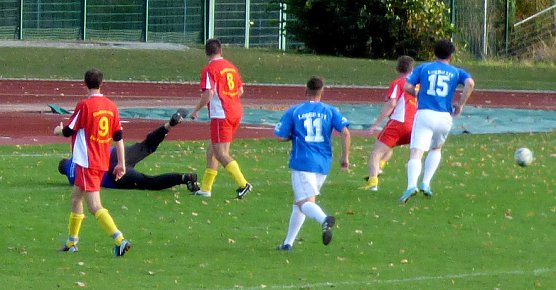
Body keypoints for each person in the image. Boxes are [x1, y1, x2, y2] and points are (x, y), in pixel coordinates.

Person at [53, 68, 131, 256]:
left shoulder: (84, 105)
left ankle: (120, 240)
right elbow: (118, 137)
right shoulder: (111, 106)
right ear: (101, 83)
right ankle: (72, 243)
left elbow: (69, 131)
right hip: (99, 160)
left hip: (88, 162)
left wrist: (57, 131)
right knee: (75, 198)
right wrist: (121, 163)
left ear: (85, 84)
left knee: (94, 205)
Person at [274, 76, 351, 251]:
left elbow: (280, 135)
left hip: (303, 161)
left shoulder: (295, 111)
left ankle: (324, 219)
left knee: (303, 202)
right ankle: (288, 243)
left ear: (305, 90)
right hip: (323, 163)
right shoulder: (331, 111)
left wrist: (291, 136)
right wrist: (345, 157)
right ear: (322, 91)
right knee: (300, 202)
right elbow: (345, 133)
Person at [399, 39, 475, 203]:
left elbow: (406, 87)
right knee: (436, 148)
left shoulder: (424, 68)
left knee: (416, 152)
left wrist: (418, 94)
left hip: (425, 113)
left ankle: (412, 185)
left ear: (434, 53)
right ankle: (426, 183)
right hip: (444, 117)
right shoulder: (456, 72)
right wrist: (460, 104)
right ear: (452, 55)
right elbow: (470, 83)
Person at [57, 109, 200, 192]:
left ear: (64, 172)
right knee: (147, 145)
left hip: (112, 174)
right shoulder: (76, 157)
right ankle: (169, 125)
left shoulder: (71, 179)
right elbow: (74, 134)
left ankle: (184, 178)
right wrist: (59, 132)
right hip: (115, 154)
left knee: (147, 182)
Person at [189, 38, 252, 199]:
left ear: (206, 53)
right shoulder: (231, 67)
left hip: (221, 114)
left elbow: (208, 93)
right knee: (212, 150)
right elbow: (241, 90)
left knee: (221, 153)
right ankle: (206, 188)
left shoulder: (209, 69)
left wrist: (196, 110)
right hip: (235, 111)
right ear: (221, 50)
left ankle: (243, 184)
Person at [361, 56, 416, 191]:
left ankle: (373, 182)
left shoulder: (398, 83)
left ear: (398, 68)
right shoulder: (417, 84)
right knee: (389, 146)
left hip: (398, 123)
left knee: (376, 152)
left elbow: (391, 104)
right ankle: (380, 167)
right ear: (412, 69)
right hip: (414, 125)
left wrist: (375, 124)